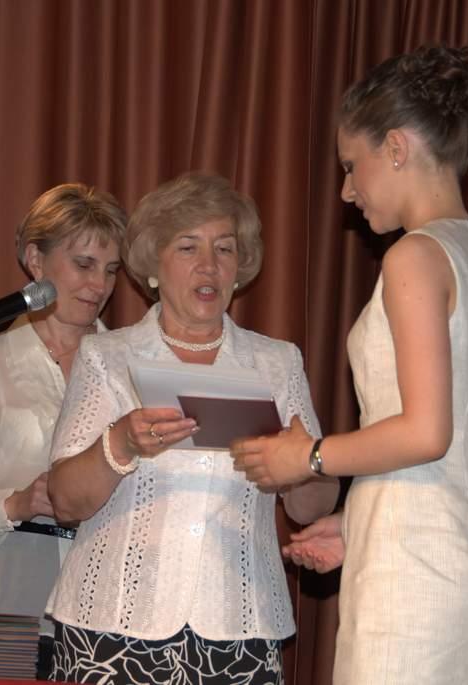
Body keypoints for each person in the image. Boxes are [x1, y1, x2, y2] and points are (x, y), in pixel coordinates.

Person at [230, 45, 468, 683]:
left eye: (350, 165)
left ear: (395, 148)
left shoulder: (414, 257)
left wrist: (307, 457)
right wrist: (361, 519)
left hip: (420, 574)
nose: (346, 191)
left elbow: (426, 433)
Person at [45, 172, 339, 685]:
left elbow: (309, 507)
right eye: (188, 247)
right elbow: (65, 501)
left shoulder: (278, 364)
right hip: (110, 626)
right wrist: (121, 442)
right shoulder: (106, 356)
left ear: (239, 267)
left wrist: (301, 462)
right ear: (153, 266)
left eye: (224, 248)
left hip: (240, 631)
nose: (209, 265)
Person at [0, 183, 127, 679]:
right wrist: (16, 503)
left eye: (111, 270)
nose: (99, 285)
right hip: (15, 615)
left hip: (119, 616)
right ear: (35, 260)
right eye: (84, 264)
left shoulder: (135, 365)